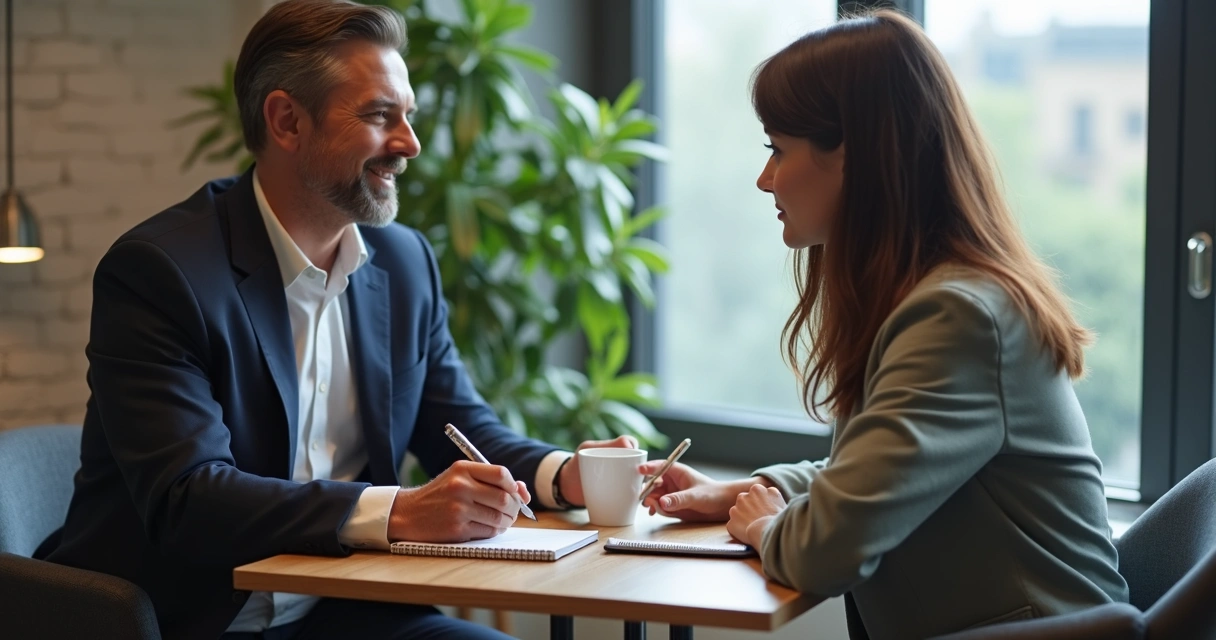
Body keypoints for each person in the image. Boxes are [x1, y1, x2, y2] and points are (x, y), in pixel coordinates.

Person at [38, 2, 632, 639]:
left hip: (345, 611)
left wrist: (564, 474)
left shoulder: (404, 263)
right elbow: (190, 497)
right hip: (186, 619)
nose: (410, 144)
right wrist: (400, 510)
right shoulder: (161, 273)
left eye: (408, 116)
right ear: (287, 120)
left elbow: (458, 427)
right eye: (381, 116)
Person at [640, 9, 1129, 640]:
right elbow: (877, 477)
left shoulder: (957, 318)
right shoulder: (944, 298)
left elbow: (828, 551)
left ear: (851, 155)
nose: (765, 180)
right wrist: (751, 489)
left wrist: (763, 525)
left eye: (778, 150)